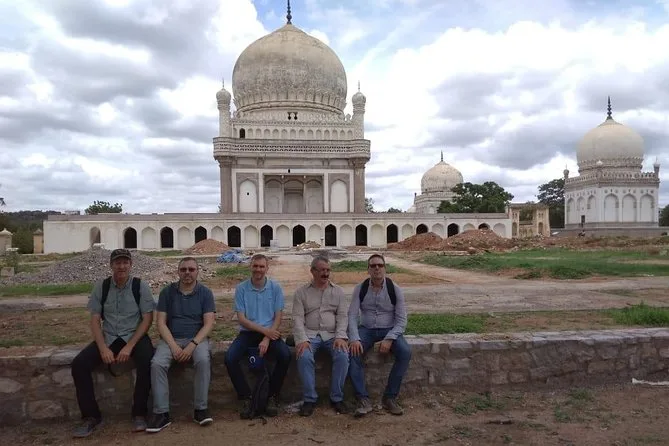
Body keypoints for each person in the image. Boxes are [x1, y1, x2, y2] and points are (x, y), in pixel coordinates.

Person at [71, 248, 155, 438]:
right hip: (109, 336)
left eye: (125, 262)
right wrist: (103, 349)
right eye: (117, 263)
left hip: (134, 336)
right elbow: (95, 320)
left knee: (148, 361)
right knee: (79, 364)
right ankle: (91, 417)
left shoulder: (140, 286)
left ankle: (139, 413)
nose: (121, 266)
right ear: (111, 265)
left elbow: (147, 319)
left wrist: (129, 346)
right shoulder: (102, 287)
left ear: (131, 265)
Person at [146, 257, 216, 433]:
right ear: (178, 272)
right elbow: (160, 323)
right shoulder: (167, 292)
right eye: (183, 269)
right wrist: (174, 346)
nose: (187, 273)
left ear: (197, 271)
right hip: (171, 338)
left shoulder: (205, 293)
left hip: (197, 338)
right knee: (157, 364)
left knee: (203, 361)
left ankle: (201, 409)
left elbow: (208, 323)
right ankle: (161, 413)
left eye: (191, 269)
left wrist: (192, 345)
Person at [224, 253, 291, 419]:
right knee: (230, 358)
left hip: (270, 332)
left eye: (261, 266)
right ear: (250, 267)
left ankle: (272, 396)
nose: (258, 269)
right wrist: (265, 332)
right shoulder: (241, 288)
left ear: (267, 268)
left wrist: (267, 338)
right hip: (248, 332)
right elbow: (242, 319)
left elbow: (278, 317)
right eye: (255, 266)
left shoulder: (275, 288)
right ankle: (246, 397)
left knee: (285, 355)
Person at [348, 253, 412, 417]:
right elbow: (352, 315)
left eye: (380, 265)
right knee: (353, 352)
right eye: (373, 266)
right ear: (368, 269)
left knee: (405, 352)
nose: (377, 268)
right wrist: (354, 338)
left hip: (389, 329)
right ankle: (363, 399)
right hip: (367, 329)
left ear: (385, 268)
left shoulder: (394, 289)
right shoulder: (360, 288)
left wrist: (389, 338)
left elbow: (401, 320)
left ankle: (390, 397)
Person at [292, 256, 350, 417]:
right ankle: (309, 399)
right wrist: (302, 340)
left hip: (332, 335)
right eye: (322, 270)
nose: (326, 273)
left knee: (343, 355)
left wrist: (341, 336)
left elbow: (343, 316)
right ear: (312, 271)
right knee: (303, 356)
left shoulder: (338, 291)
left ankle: (337, 398)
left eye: (328, 270)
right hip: (309, 335)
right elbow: (297, 318)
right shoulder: (301, 292)